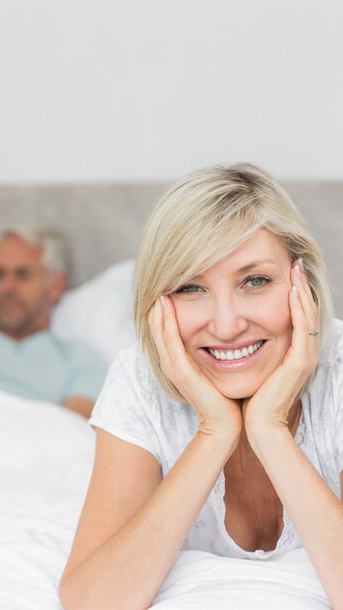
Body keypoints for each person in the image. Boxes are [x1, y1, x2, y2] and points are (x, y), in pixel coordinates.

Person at [59, 163, 343, 609]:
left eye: (255, 281)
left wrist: (269, 427)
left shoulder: (340, 374)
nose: (227, 325)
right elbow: (93, 601)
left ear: (300, 282)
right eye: (191, 287)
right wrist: (215, 431)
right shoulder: (138, 381)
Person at [0, 225, 107, 419]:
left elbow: (71, 435)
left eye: (23, 275)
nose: (7, 287)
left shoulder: (81, 363)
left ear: (55, 286)